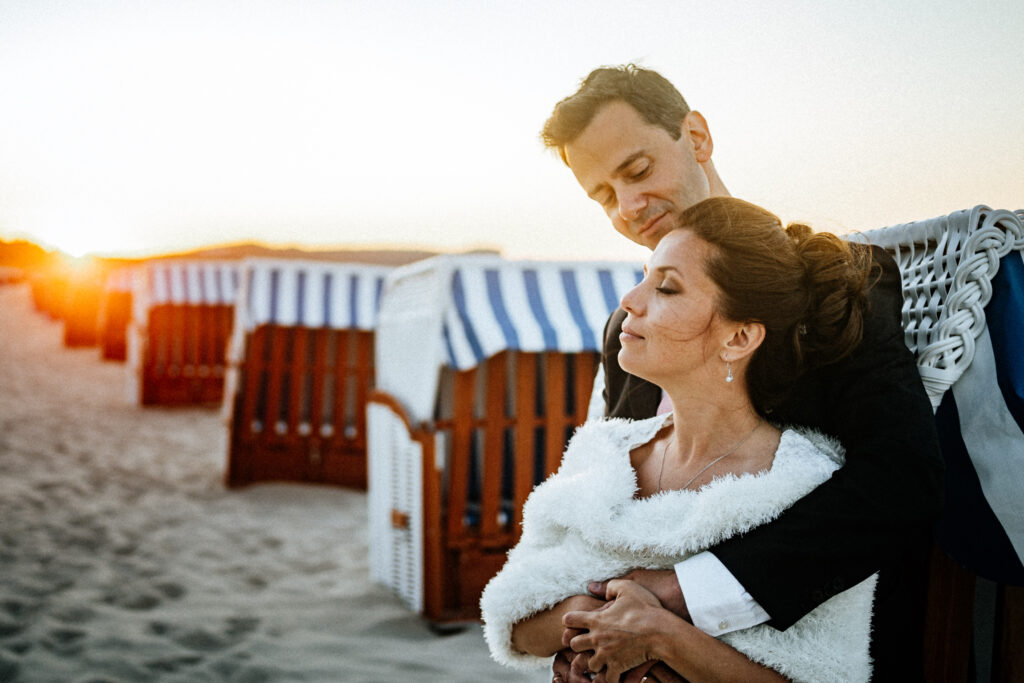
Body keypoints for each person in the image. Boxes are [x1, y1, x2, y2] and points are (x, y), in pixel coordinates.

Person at [538, 65, 943, 681]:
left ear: (696, 137)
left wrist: (678, 599)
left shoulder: (832, 284)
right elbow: (610, 499)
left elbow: (901, 477)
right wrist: (587, 638)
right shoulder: (629, 331)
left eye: (637, 171)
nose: (627, 207)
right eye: (602, 196)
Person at [481, 197, 879, 681]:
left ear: (738, 339)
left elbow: (824, 673)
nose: (630, 299)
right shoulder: (603, 451)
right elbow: (510, 615)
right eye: (645, 275)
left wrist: (660, 636)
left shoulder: (800, 487)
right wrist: (599, 622)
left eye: (666, 288)